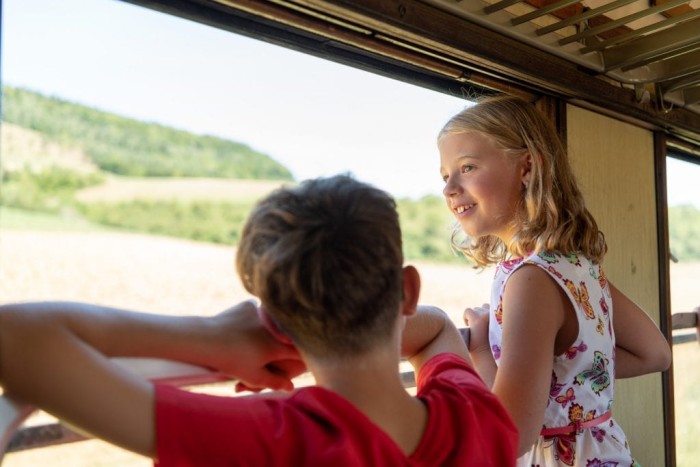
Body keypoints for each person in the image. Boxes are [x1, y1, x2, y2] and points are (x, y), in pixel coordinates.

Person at [0, 174, 518, 466]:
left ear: (275, 322)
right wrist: (358, 323)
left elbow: (13, 338)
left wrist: (215, 336)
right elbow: (439, 330)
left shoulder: (274, 441)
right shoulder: (478, 418)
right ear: (406, 289)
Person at [437, 96, 672, 466]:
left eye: (467, 167)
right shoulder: (579, 268)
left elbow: (511, 435)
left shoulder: (531, 281)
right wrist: (567, 381)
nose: (449, 187)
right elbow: (654, 353)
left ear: (527, 167)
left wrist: (481, 351)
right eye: (445, 175)